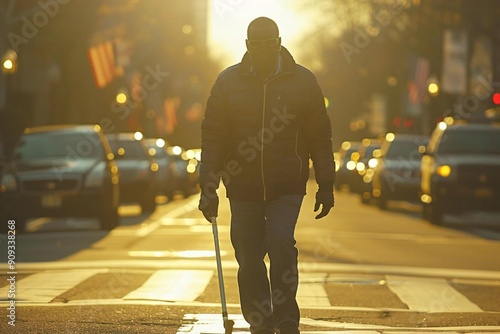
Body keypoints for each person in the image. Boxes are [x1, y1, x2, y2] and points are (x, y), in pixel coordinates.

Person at [198, 17, 335, 334]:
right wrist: (208, 186)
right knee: (248, 255)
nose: (262, 51)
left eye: (268, 44)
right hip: (242, 186)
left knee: (280, 242)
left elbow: (320, 137)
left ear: (279, 42)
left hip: (287, 184)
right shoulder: (227, 82)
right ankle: (260, 318)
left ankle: (286, 316)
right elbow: (213, 138)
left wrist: (326, 185)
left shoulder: (303, 81)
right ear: (246, 46)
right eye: (256, 45)